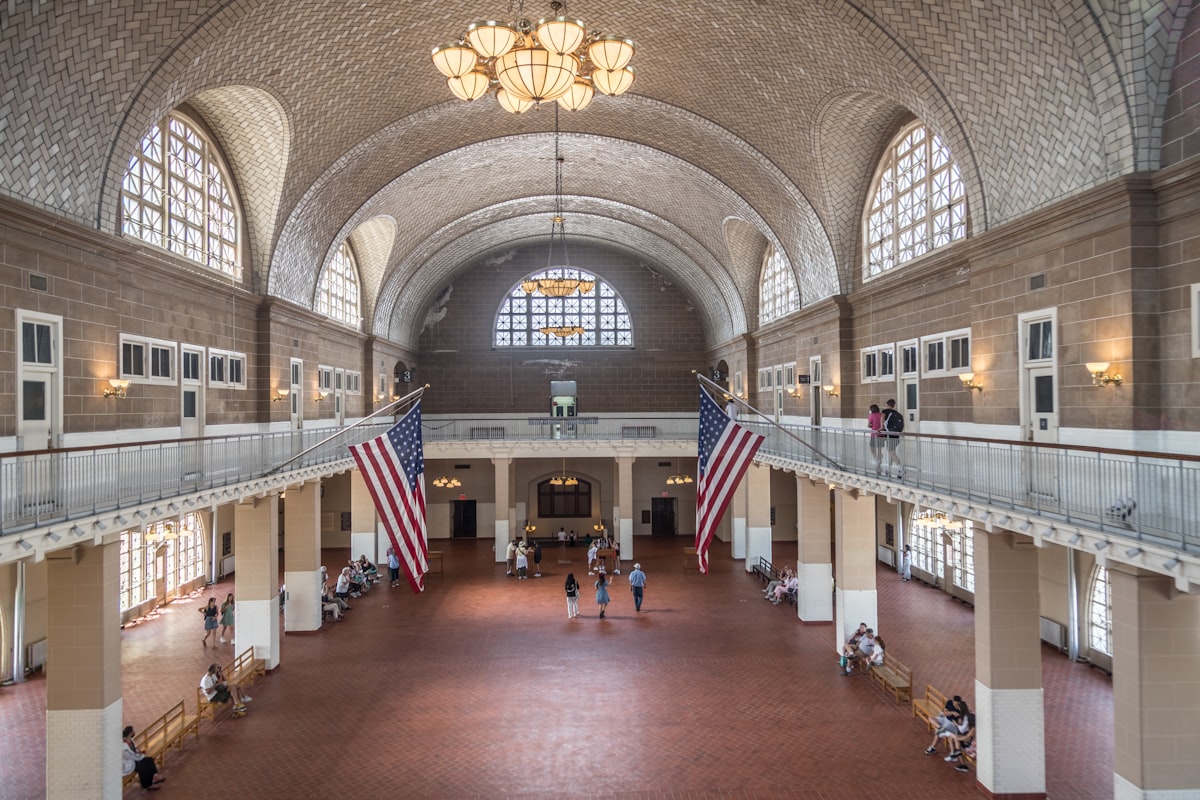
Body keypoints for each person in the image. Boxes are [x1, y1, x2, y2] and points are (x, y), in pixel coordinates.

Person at [122, 725, 164, 790]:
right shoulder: (123, 746)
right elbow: (131, 756)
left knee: (149, 760)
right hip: (128, 763)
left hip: (135, 758)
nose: (134, 732)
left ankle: (155, 776)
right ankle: (148, 785)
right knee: (142, 766)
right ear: (130, 733)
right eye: (133, 731)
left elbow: (135, 749)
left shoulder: (131, 740)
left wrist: (139, 752)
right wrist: (141, 756)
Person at [882, 398, 904, 477]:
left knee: (892, 453)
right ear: (894, 405)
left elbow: (882, 421)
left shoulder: (885, 412)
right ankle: (889, 469)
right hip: (896, 435)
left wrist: (880, 429)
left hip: (889, 435)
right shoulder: (897, 414)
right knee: (891, 452)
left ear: (887, 404)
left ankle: (901, 469)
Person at [867, 403, 884, 473]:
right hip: (881, 434)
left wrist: (872, 426)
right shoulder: (881, 415)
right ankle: (879, 460)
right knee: (879, 449)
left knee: (872, 448)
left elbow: (869, 425)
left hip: (874, 434)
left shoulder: (871, 416)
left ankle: (877, 459)